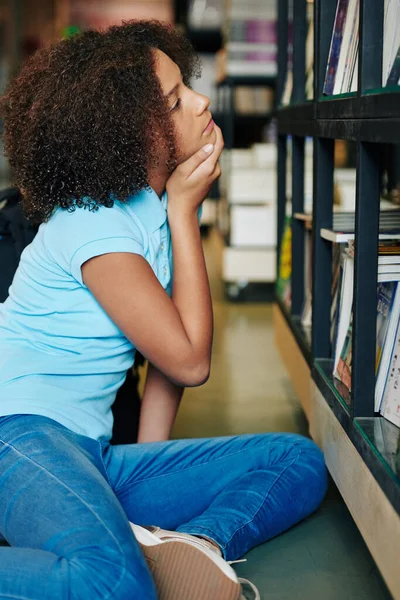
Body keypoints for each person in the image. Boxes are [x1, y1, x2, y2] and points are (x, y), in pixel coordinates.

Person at [0, 21, 328, 600]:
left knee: (295, 460)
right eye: (177, 101)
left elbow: (165, 368)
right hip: (19, 436)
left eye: (187, 87)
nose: (202, 103)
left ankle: (193, 547)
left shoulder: (150, 207)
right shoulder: (94, 224)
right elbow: (189, 361)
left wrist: (151, 473)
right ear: (131, 134)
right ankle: (127, 565)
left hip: (91, 455)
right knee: (113, 584)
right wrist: (184, 213)